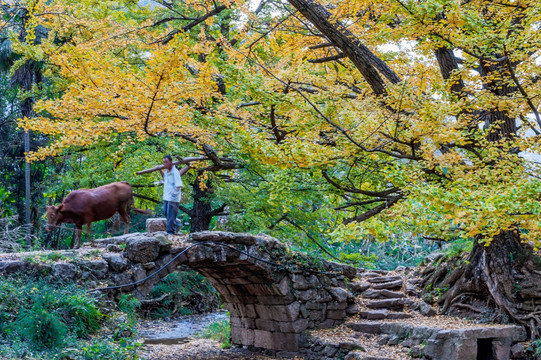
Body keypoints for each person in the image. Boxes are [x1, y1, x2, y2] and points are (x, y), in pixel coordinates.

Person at [159, 155, 190, 235]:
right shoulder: (167, 172)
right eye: (163, 162)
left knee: (171, 215)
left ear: (171, 163)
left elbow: (178, 185)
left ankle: (170, 232)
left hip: (173, 198)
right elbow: (165, 178)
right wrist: (159, 170)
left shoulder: (175, 172)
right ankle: (176, 223)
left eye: (166, 162)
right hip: (166, 196)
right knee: (166, 213)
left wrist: (173, 194)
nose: (164, 164)